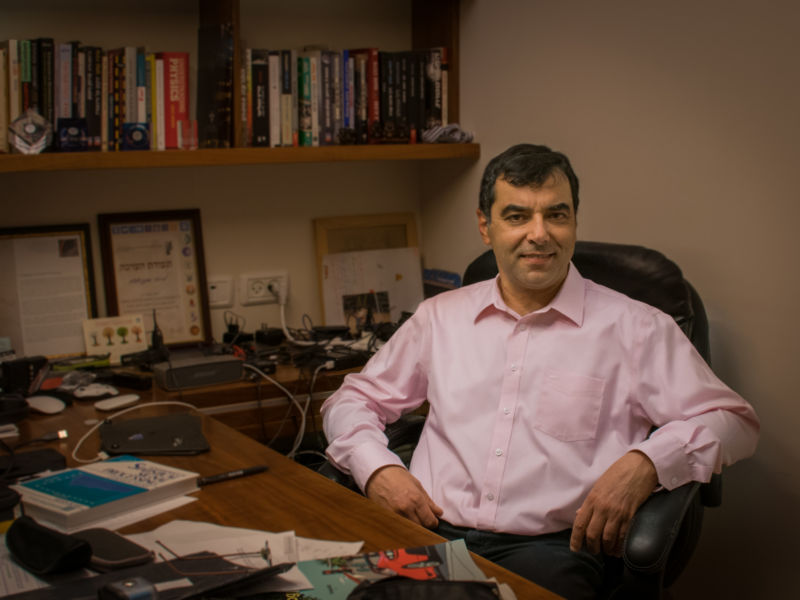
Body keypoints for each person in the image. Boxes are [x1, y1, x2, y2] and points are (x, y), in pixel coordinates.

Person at [321, 143, 760, 599]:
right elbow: (351, 401)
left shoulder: (637, 329)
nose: (539, 234)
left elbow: (735, 421)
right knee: (305, 590)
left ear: (574, 221)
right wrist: (377, 471)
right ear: (484, 226)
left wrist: (647, 462)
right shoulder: (440, 317)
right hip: (427, 533)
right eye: (516, 217)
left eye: (556, 214)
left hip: (549, 552)